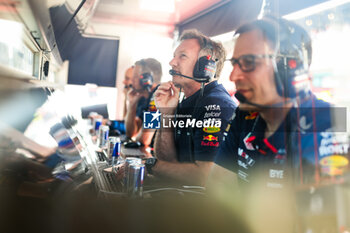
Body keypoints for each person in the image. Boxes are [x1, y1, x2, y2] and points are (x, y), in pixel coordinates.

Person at [208, 16, 348, 232]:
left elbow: (326, 224)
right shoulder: (245, 115)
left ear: (288, 68)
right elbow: (217, 185)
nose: (234, 75)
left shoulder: (327, 122)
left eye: (249, 63)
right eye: (235, 64)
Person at [147, 29, 236, 186]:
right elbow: (167, 161)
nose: (172, 62)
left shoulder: (217, 106)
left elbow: (204, 176)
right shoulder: (186, 101)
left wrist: (150, 165)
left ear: (206, 66)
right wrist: (167, 113)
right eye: (174, 55)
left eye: (182, 56)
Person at [124, 58, 162, 147]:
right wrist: (132, 104)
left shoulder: (158, 96)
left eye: (136, 76)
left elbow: (144, 140)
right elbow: (131, 133)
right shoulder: (143, 98)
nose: (132, 80)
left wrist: (137, 137)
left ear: (147, 79)